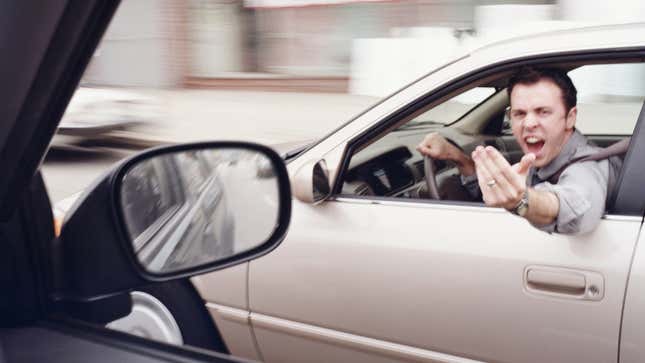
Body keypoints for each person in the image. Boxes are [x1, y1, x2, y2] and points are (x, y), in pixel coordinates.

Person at [417, 66, 616, 234]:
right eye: (519, 113)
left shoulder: (587, 166)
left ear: (570, 118)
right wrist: (456, 157)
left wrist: (522, 200)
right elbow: (498, 188)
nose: (529, 123)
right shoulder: (544, 157)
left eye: (543, 112)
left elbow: (575, 208)